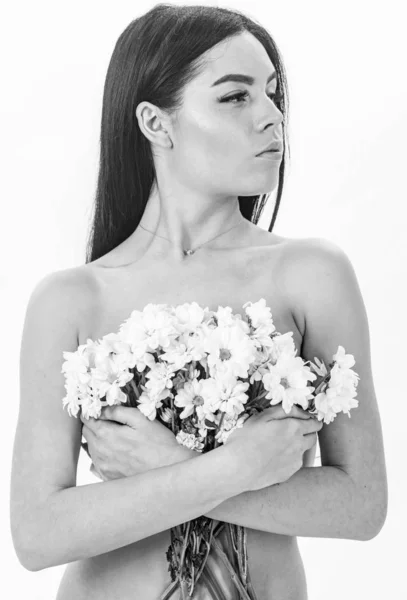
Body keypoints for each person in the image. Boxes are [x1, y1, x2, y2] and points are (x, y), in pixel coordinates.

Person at [10, 4, 387, 600]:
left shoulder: (312, 274)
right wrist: (233, 466)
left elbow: (362, 505)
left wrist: (166, 460)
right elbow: (36, 535)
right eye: (236, 97)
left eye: (271, 92)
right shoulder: (71, 298)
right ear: (157, 124)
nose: (272, 118)